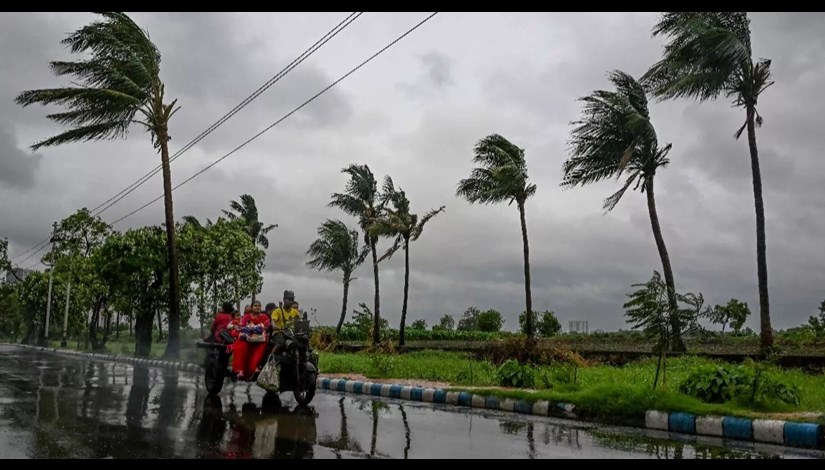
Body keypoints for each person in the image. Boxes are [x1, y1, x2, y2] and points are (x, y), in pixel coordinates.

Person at [232, 300, 271, 379]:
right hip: (248, 339)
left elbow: (267, 327)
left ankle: (254, 367)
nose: (257, 307)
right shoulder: (247, 317)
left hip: (260, 340)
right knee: (241, 345)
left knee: (261, 348)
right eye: (255, 306)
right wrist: (249, 329)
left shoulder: (264, 317)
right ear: (252, 307)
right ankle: (241, 369)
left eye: (259, 306)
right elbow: (242, 327)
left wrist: (261, 329)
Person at [270, 290, 302, 355]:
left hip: (291, 334)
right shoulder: (277, 311)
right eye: (288, 299)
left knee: (303, 342)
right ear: (284, 300)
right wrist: (274, 326)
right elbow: (273, 320)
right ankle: (271, 359)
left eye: (292, 299)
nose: (290, 301)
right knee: (281, 342)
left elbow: (300, 322)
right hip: (279, 332)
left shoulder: (295, 312)